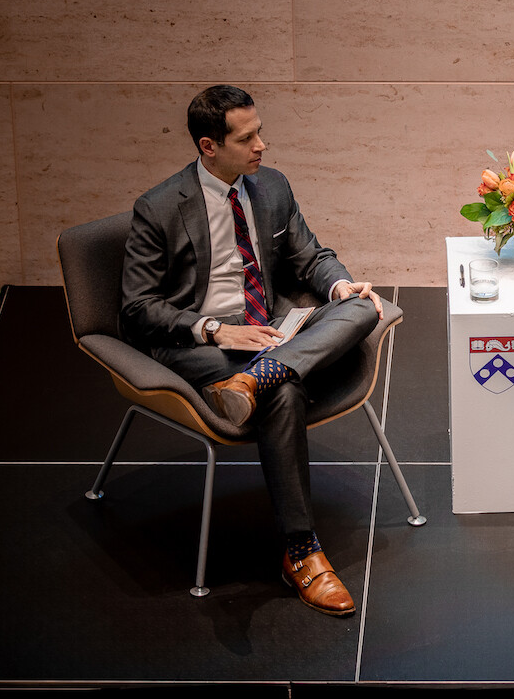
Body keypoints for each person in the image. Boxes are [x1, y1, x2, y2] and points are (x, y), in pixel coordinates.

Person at [121, 85, 386, 615]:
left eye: (259, 131)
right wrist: (217, 330)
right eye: (247, 138)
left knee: (364, 306)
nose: (261, 145)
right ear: (208, 146)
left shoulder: (270, 187)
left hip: (267, 334)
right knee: (284, 392)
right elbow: (137, 308)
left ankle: (255, 378)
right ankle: (302, 552)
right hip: (203, 343)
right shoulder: (158, 207)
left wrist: (339, 286)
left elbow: (312, 257)